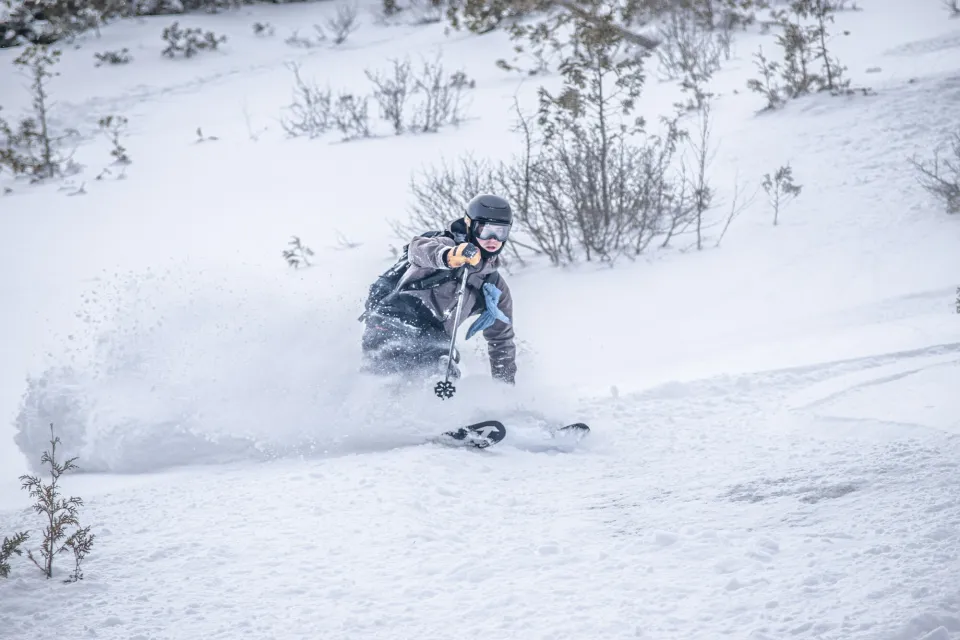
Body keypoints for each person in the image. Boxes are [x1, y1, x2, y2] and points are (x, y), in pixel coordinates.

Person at [360, 194, 517, 385]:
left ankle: (431, 413)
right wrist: (449, 257)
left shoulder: (492, 285)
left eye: (500, 232)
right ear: (470, 226)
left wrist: (504, 388)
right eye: (485, 230)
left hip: (434, 335)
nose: (493, 239)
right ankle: (371, 405)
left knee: (443, 369)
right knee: (424, 369)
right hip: (395, 318)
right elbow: (418, 250)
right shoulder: (447, 244)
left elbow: (502, 341)